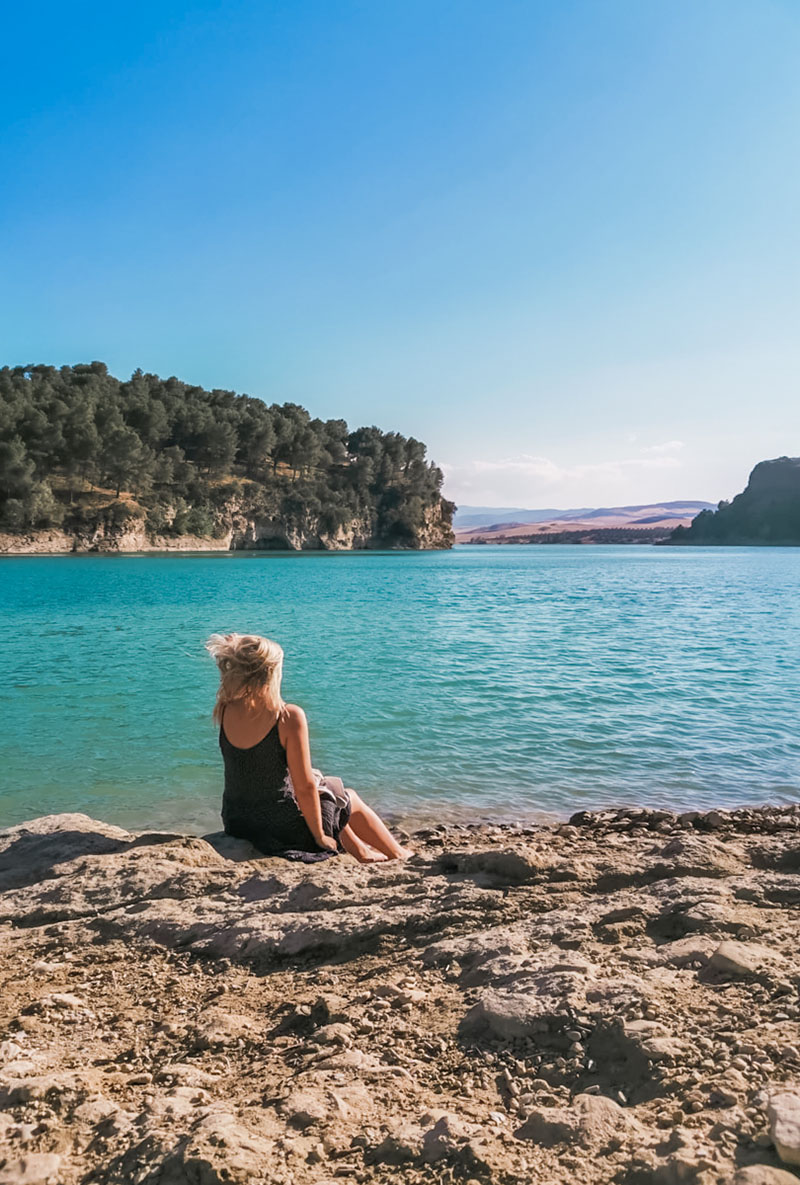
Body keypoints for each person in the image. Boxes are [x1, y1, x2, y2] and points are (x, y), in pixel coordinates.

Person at [206, 633, 412, 864]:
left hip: (237, 822)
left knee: (320, 784)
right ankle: (398, 854)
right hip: (279, 828)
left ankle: (362, 853)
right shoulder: (287, 717)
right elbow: (303, 788)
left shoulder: (225, 708)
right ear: (272, 673)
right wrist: (319, 836)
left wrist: (235, 645)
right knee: (345, 796)